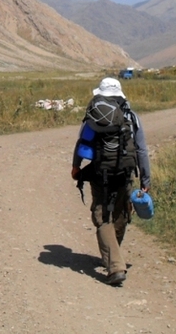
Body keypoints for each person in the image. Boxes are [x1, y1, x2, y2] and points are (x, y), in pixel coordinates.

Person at [71, 77, 150, 286]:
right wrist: (145, 178)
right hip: (125, 172)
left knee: (102, 215)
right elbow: (141, 149)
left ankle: (114, 265)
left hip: (100, 173)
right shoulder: (132, 116)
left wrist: (76, 167)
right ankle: (114, 255)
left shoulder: (94, 115)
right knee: (121, 213)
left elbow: (82, 143)